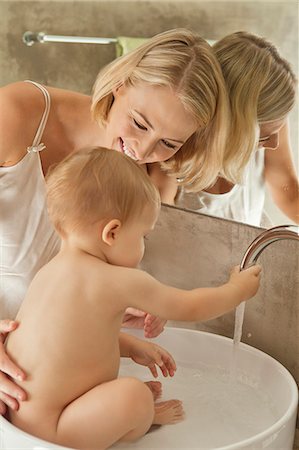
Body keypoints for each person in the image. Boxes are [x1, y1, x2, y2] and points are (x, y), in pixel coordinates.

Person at [0, 28, 232, 412]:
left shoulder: (144, 178)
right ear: (119, 85)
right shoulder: (16, 115)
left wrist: (110, 305)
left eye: (169, 143)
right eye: (140, 123)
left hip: (34, 381)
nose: (142, 150)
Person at [5, 147, 261, 449]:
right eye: (143, 236)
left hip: (17, 424)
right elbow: (188, 305)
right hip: (56, 433)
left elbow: (71, 344)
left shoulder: (50, 272)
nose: (143, 246)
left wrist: (131, 346)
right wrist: (237, 290)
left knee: (125, 391)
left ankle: (114, 412)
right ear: (112, 233)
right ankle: (143, 417)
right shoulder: (115, 280)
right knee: (134, 396)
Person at [176, 31, 298, 227]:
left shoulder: (272, 127)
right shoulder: (171, 155)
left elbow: (289, 192)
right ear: (231, 124)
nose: (273, 144)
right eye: (263, 137)